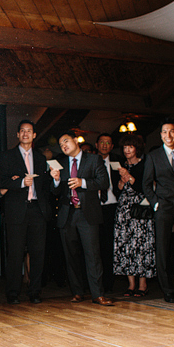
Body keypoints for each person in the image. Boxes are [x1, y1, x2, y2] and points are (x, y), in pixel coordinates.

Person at [50, 130, 113, 306]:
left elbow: (104, 182)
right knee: (71, 256)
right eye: (61, 144)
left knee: (92, 255)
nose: (64, 146)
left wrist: (82, 182)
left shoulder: (94, 160)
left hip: (87, 214)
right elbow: (54, 192)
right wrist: (55, 180)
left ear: (76, 140)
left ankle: (97, 294)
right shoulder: (60, 163)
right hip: (67, 214)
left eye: (66, 141)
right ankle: (77, 292)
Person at [0, 120, 51, 304]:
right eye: (22, 131)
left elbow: (45, 187)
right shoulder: (6, 156)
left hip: (37, 209)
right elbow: (2, 182)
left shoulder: (41, 158)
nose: (26, 134)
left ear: (34, 135)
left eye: (29, 131)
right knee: (15, 253)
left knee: (37, 253)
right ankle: (13, 292)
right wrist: (20, 182)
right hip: (16, 210)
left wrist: (56, 180)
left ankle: (35, 291)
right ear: (18, 135)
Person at [142, 118, 174, 303]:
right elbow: (146, 185)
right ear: (161, 135)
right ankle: (167, 290)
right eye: (164, 132)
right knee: (162, 249)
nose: (168, 135)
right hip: (163, 207)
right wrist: (155, 203)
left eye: (171, 131)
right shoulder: (153, 156)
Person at [113, 134, 155, 297]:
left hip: (140, 209)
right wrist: (121, 182)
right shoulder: (121, 165)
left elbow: (144, 187)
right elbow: (116, 191)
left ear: (137, 148)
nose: (127, 150)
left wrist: (129, 177)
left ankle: (143, 285)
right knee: (125, 246)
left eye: (130, 147)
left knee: (142, 245)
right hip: (124, 209)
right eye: (125, 147)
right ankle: (131, 285)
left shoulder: (144, 164)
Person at [96, 133, 121, 294]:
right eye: (102, 142)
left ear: (112, 146)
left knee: (110, 246)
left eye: (108, 143)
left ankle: (109, 284)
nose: (105, 145)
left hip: (112, 207)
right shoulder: (90, 161)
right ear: (97, 144)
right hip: (96, 208)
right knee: (95, 247)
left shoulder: (117, 162)